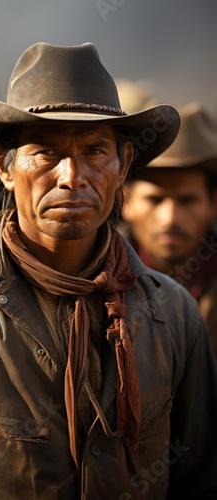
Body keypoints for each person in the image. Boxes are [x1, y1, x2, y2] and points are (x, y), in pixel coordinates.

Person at [0, 42, 216, 499]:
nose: (71, 176)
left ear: (124, 166)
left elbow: (199, 477)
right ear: (3, 165)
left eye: (96, 151)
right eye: (46, 152)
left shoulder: (174, 315)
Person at [121, 102, 217, 358]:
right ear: (125, 202)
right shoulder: (95, 281)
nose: (170, 218)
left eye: (187, 200)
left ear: (213, 204)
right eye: (155, 200)